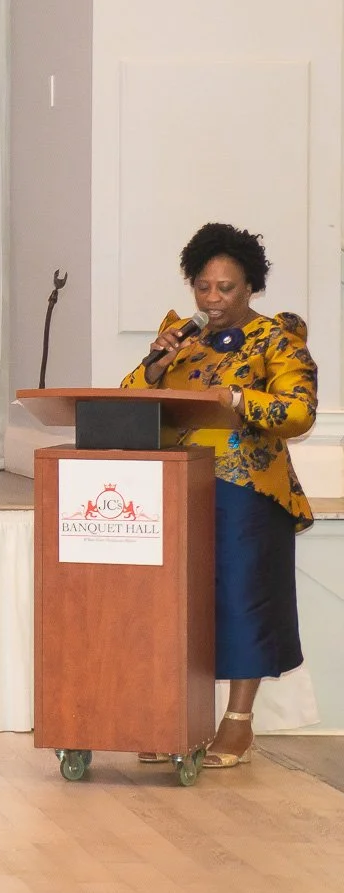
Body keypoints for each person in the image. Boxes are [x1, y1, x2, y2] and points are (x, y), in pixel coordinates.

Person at [123, 222, 317, 768]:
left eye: (226, 288)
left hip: (246, 488)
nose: (212, 299)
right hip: (177, 483)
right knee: (173, 602)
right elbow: (126, 399)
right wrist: (155, 367)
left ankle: (238, 723)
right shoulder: (180, 338)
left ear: (250, 286)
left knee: (241, 601)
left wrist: (237, 398)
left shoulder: (277, 340)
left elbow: (299, 413)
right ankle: (176, 716)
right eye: (203, 286)